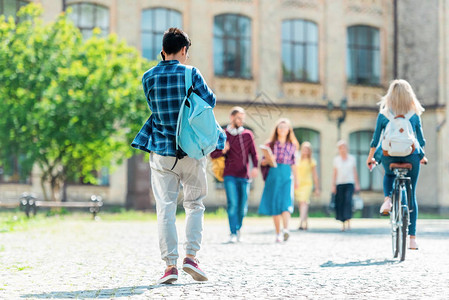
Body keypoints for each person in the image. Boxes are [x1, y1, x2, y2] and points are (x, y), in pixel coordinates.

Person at [131, 28, 225, 284]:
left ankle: (170, 266)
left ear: (163, 51)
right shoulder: (190, 72)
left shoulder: (148, 77)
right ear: (184, 50)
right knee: (195, 205)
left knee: (165, 209)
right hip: (191, 150)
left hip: (161, 151)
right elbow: (210, 101)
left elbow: (154, 108)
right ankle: (191, 258)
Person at [366, 79, 427, 250]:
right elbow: (421, 141)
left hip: (389, 155)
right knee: (412, 193)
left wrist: (371, 158)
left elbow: (375, 140)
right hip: (412, 157)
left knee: (389, 174)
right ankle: (412, 239)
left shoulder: (384, 114)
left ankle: (387, 200)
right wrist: (421, 156)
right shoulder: (414, 114)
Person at [210, 107, 259, 243]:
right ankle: (233, 232)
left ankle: (238, 229)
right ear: (231, 118)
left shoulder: (248, 135)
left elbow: (254, 154)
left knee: (243, 206)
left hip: (244, 176)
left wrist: (255, 167)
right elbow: (213, 154)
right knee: (233, 203)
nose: (241, 121)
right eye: (239, 118)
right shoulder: (223, 134)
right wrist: (222, 151)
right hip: (229, 175)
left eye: (243, 119)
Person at [258, 118, 299, 242]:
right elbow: (263, 161)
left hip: (287, 175)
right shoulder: (270, 144)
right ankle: (278, 233)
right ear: (276, 129)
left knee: (286, 202)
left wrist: (297, 180)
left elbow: (294, 164)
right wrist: (268, 159)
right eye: (280, 127)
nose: (282, 129)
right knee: (275, 203)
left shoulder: (293, 145)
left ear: (289, 130)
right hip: (274, 174)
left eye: (285, 127)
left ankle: (286, 229)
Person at [332, 140, 360, 231]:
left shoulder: (352, 159)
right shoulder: (336, 160)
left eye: (344, 147)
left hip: (350, 183)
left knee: (348, 201)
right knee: (341, 203)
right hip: (339, 183)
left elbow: (354, 172)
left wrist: (357, 184)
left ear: (347, 148)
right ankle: (343, 223)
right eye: (340, 148)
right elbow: (335, 173)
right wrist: (333, 185)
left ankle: (348, 221)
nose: (342, 149)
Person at [295, 141, 320, 230]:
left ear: (310, 151)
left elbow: (315, 175)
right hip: (298, 184)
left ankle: (301, 223)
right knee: (300, 204)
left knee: (304, 202)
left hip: (307, 184)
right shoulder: (297, 160)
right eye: (304, 149)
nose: (305, 151)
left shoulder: (312, 161)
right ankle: (306, 222)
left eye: (307, 149)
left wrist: (317, 188)